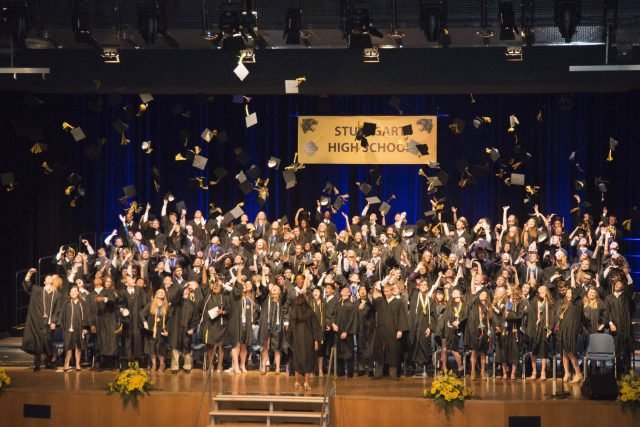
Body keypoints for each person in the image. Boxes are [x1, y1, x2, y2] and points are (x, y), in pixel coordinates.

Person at [21, 268, 61, 371]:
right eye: (47, 278)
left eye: (50, 278)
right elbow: (27, 285)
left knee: (47, 343)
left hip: (48, 323)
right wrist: (29, 274)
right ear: (44, 282)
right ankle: (37, 365)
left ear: (52, 281)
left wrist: (54, 321)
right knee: (37, 344)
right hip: (37, 322)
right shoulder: (37, 290)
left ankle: (49, 363)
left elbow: (57, 310)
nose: (49, 279)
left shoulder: (56, 295)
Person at [371, 279, 409, 380]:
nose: (386, 293)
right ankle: (378, 373)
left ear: (392, 291)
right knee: (380, 352)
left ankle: (393, 374)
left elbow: (402, 316)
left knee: (393, 352)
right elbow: (373, 297)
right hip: (381, 331)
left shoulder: (399, 302)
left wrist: (400, 330)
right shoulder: (380, 301)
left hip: (393, 331)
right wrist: (379, 285)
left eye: (388, 291)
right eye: (385, 291)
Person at [287, 293, 322, 390]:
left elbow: (290, 328)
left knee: (297, 360)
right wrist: (316, 340)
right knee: (307, 360)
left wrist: (290, 340)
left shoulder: (293, 312)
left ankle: (297, 382)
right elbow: (315, 327)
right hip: (308, 339)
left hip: (297, 340)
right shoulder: (310, 312)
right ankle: (306, 383)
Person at [408, 278, 438, 376]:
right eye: (422, 285)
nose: (423, 286)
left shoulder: (430, 300)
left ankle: (429, 369)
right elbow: (411, 281)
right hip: (415, 327)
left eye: (425, 284)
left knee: (426, 347)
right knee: (414, 347)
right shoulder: (414, 297)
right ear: (419, 287)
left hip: (425, 327)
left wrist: (430, 327)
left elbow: (434, 316)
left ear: (428, 287)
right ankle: (416, 368)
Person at [199, 278, 229, 372]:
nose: (216, 286)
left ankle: (220, 365)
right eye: (214, 285)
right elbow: (204, 282)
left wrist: (223, 312)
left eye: (218, 285)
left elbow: (229, 310)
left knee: (220, 346)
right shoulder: (208, 296)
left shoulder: (225, 298)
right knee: (210, 346)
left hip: (220, 325)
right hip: (209, 324)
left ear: (222, 288)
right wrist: (203, 266)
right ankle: (210, 365)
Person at [605, 279, 633, 376]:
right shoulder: (609, 298)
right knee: (616, 348)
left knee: (626, 348)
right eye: (616, 284)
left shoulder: (625, 297)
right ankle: (616, 370)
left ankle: (626, 370)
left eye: (620, 283)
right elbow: (607, 312)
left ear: (623, 286)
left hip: (625, 326)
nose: (617, 285)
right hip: (614, 327)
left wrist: (626, 275)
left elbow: (630, 287)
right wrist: (610, 323)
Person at [170, 283, 199, 374]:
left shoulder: (193, 304)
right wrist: (183, 286)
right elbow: (175, 297)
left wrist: (193, 328)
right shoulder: (177, 302)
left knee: (187, 347)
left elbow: (196, 318)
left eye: (188, 289)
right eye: (185, 289)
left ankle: (187, 366)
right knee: (175, 348)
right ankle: (175, 367)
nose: (187, 290)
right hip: (177, 327)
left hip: (187, 328)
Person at [436, 288, 466, 377]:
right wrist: (448, 323)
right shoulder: (450, 304)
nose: (454, 293)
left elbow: (465, 316)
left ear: (460, 295)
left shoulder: (464, 305)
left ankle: (460, 368)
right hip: (447, 329)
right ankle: (444, 368)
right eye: (453, 292)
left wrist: (459, 321)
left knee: (454, 350)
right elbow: (446, 315)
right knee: (444, 349)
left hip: (457, 330)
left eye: (456, 292)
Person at [555, 287, 583, 383]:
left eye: (570, 293)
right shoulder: (564, 304)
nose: (568, 294)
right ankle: (567, 373)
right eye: (567, 293)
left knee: (570, 353)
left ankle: (578, 373)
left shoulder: (577, 304)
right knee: (564, 353)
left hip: (570, 331)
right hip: (562, 330)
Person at [60, 286, 90, 372]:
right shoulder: (66, 303)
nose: (73, 293)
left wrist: (85, 327)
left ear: (78, 293)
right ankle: (67, 363)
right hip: (69, 328)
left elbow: (86, 316)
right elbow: (62, 316)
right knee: (68, 346)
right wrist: (64, 326)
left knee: (78, 346)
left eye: (74, 291)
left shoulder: (82, 303)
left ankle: (77, 363)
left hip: (80, 327)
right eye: (71, 291)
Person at [141, 288, 171, 371]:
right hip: (151, 329)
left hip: (161, 329)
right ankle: (154, 364)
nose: (161, 293)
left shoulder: (167, 305)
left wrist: (167, 330)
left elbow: (170, 319)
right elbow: (142, 313)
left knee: (160, 347)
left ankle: (162, 364)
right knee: (151, 348)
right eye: (159, 292)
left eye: (163, 292)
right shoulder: (151, 304)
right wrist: (145, 322)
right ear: (156, 294)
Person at [332, 287, 359, 377]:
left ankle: (350, 373)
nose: (342, 291)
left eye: (345, 290)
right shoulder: (338, 304)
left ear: (348, 293)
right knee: (339, 352)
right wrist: (333, 324)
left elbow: (352, 320)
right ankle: (340, 372)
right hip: (337, 331)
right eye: (342, 290)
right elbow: (333, 315)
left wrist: (346, 331)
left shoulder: (351, 305)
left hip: (347, 333)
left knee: (348, 352)